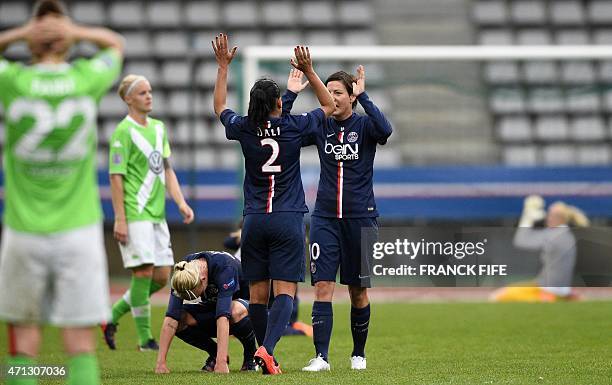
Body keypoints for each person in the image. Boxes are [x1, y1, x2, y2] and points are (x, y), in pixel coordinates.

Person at [0, 1, 124, 384]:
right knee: (80, 347)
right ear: (66, 42)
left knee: (23, 343)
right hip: (78, 229)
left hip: (23, 229)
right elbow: (114, 44)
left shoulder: (13, 79)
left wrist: (22, 33)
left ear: (33, 43)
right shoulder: (84, 77)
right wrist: (75, 30)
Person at [212, 33, 334, 374]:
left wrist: (223, 68)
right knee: (285, 292)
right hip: (287, 218)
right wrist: (310, 72)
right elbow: (329, 107)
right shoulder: (292, 126)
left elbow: (220, 107)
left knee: (257, 296)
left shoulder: (245, 128)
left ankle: (261, 356)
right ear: (279, 104)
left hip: (253, 220)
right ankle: (266, 350)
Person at [282, 66, 393, 371]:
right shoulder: (321, 126)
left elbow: (386, 130)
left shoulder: (365, 126)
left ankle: (359, 353)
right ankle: (321, 357)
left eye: (338, 93)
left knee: (358, 291)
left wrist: (365, 96)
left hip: (361, 218)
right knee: (322, 287)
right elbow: (285, 129)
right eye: (328, 92)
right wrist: (290, 95)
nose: (331, 97)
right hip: (325, 218)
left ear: (351, 97)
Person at [102, 74, 195, 351]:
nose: (149, 96)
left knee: (161, 276)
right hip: (135, 213)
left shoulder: (158, 128)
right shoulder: (122, 132)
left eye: (150, 91)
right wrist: (120, 217)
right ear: (128, 98)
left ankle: (111, 316)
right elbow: (115, 177)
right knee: (142, 275)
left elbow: (166, 169)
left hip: (157, 214)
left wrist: (180, 202)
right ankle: (145, 340)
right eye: (142, 93)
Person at [155, 251, 257, 374]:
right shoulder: (183, 271)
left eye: (191, 294)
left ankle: (250, 355)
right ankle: (214, 353)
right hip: (217, 307)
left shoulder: (224, 267)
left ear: (203, 280)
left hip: (251, 309)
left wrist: (221, 363)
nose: (187, 298)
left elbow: (223, 317)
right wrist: (161, 364)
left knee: (233, 310)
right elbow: (171, 318)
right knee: (180, 319)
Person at [491, 195, 590, 302]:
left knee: (497, 297)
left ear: (558, 218)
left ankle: (557, 299)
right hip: (548, 287)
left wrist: (527, 218)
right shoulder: (565, 235)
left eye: (550, 215)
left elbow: (521, 241)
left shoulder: (555, 236)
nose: (547, 218)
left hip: (548, 291)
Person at [223, 221, 313, 337]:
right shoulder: (251, 243)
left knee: (274, 319)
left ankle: (296, 327)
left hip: (274, 300)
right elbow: (228, 242)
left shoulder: (271, 245)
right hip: (255, 292)